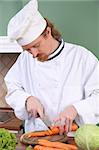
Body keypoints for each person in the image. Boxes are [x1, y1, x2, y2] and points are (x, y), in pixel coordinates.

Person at [5, 0, 99, 133]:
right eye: (27, 49)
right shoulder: (24, 59)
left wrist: (76, 108)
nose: (33, 54)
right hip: (36, 137)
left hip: (74, 137)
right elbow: (12, 89)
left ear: (47, 32)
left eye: (36, 46)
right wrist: (27, 100)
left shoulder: (82, 57)